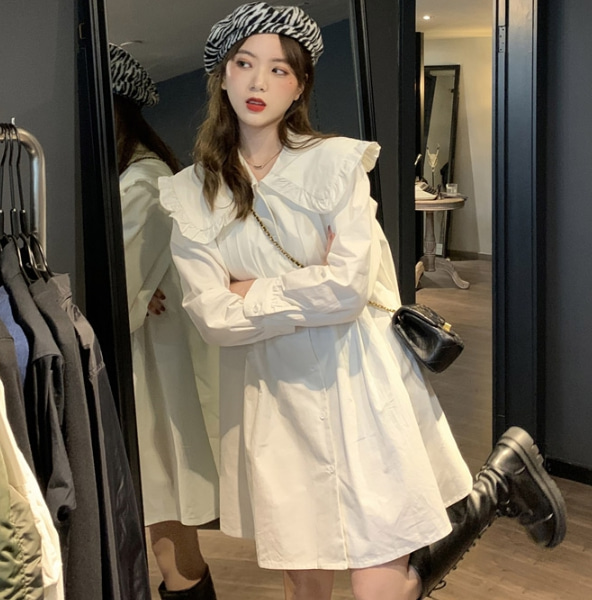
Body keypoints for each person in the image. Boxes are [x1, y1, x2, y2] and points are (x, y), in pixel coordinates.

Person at [158, 3, 567, 599]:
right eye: (244, 64)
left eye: (278, 69)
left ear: (299, 86)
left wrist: (251, 290)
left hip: (357, 380)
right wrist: (307, 285)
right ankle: (493, 487)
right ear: (223, 77)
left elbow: (348, 290)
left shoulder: (336, 163)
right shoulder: (190, 194)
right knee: (305, 580)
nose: (258, 81)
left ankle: (486, 494)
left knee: (379, 583)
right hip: (272, 397)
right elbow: (212, 317)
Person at [109, 44, 220, 600]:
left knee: (166, 521)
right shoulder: (135, 178)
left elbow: (116, 281)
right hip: (145, 365)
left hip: (154, 371)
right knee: (162, 518)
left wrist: (130, 287)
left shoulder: (143, 181)